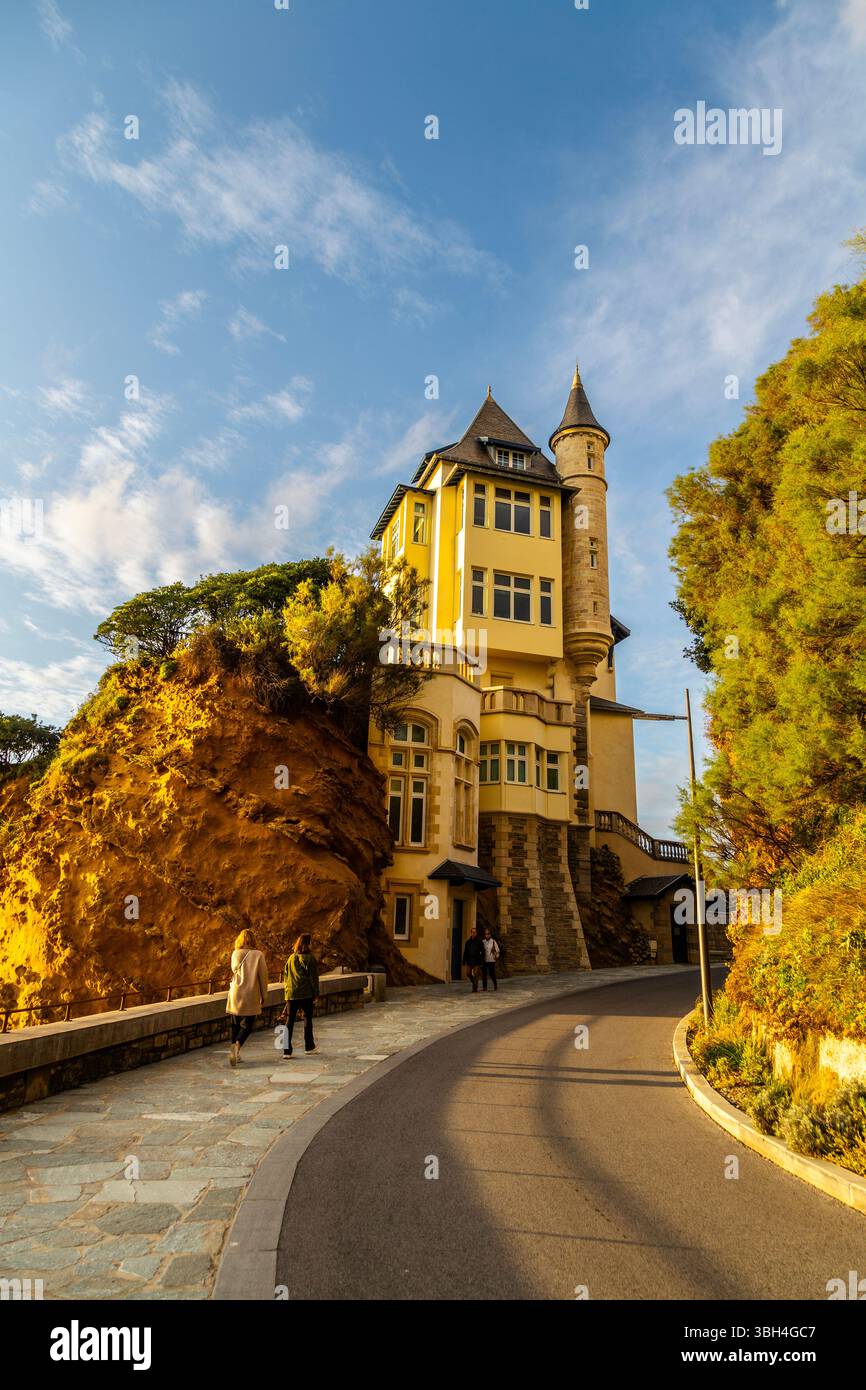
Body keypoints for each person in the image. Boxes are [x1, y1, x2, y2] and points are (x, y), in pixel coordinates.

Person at [226, 928, 269, 1067]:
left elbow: (234, 969)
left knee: (235, 1024)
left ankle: (234, 1050)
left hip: (235, 992)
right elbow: (263, 976)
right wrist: (264, 994)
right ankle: (237, 1047)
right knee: (248, 1024)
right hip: (250, 993)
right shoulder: (258, 955)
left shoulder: (235, 953)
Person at [282, 932, 320, 1057]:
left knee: (290, 1021)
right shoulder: (310, 958)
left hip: (292, 994)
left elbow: (286, 976)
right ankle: (309, 1046)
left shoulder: (291, 958)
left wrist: (287, 993)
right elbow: (313, 978)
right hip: (306, 994)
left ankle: (286, 1051)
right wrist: (316, 994)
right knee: (307, 1019)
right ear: (308, 944)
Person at [462, 925, 486, 993]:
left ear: (476, 933)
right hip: (469, 961)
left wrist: (482, 961)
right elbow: (465, 951)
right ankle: (474, 982)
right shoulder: (468, 942)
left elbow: (483, 951)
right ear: (471, 933)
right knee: (468, 973)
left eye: (475, 932)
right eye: (472, 932)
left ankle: (474, 989)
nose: (473, 933)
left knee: (476, 974)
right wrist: (464, 960)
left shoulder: (479, 941)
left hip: (477, 961)